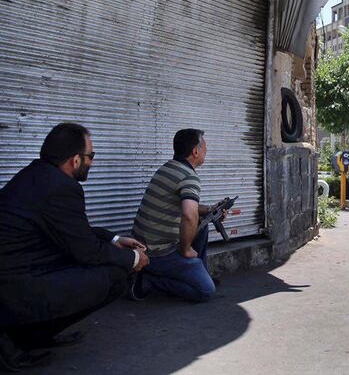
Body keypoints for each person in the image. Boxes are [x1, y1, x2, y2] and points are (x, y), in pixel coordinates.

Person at [0, 123, 149, 371]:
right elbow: (87, 251)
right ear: (76, 160)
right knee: (114, 276)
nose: (92, 161)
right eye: (91, 156)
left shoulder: (35, 175)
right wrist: (133, 260)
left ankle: (34, 335)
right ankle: (22, 341)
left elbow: (71, 232)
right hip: (12, 288)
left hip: (18, 273)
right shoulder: (60, 187)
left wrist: (114, 239)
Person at [130, 129, 222, 302]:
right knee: (206, 290)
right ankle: (149, 281)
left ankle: (198, 272)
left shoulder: (167, 168)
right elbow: (188, 215)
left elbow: (187, 208)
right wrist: (186, 250)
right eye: (205, 147)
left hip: (142, 244)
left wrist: (211, 210)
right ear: (195, 151)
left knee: (203, 224)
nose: (206, 151)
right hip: (158, 253)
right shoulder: (189, 177)